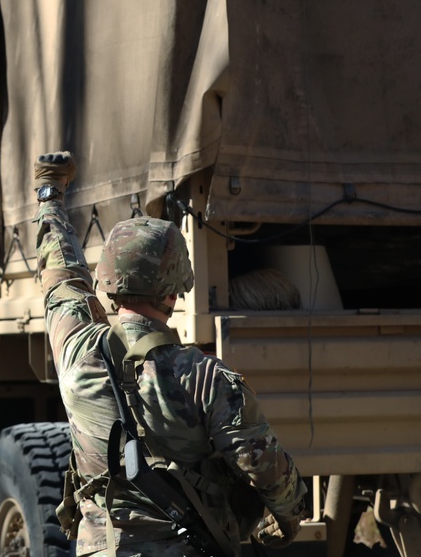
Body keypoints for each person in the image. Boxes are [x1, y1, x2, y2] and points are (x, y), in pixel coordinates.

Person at [33, 151, 307, 557]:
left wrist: (49, 195)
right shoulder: (206, 378)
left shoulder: (74, 349)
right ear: (173, 292)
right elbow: (269, 475)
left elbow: (61, 271)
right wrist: (286, 517)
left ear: (108, 282)